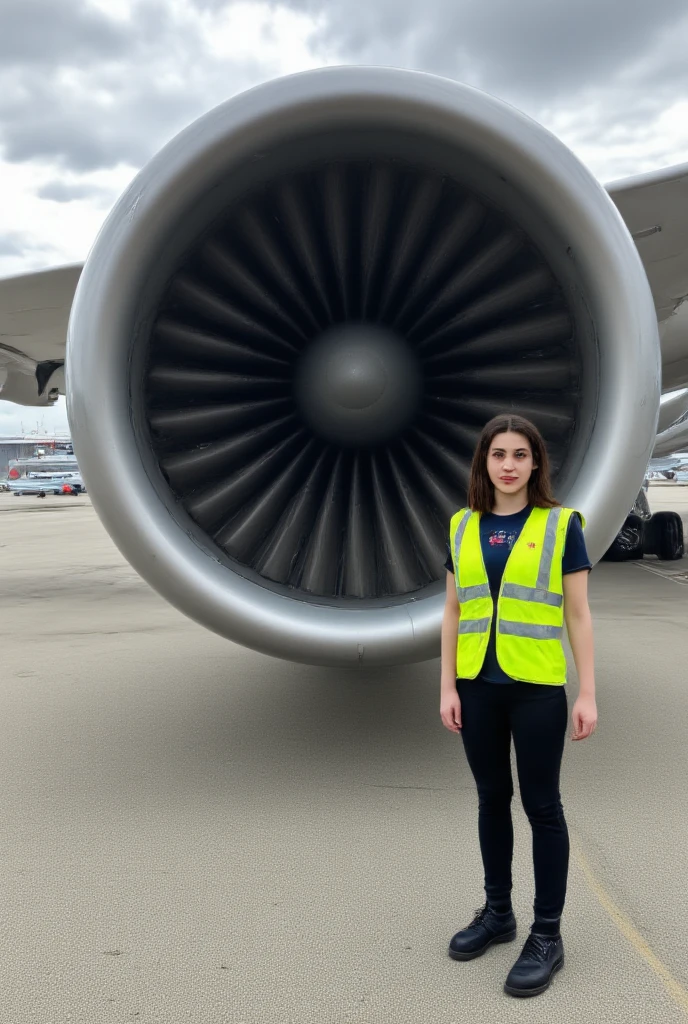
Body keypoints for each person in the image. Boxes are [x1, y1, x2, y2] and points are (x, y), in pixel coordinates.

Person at [439, 413, 597, 998]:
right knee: (489, 798)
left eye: (520, 455)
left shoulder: (561, 525)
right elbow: (454, 611)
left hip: (535, 687)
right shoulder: (461, 526)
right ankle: (498, 912)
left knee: (542, 805)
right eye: (498, 454)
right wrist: (447, 687)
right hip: (477, 682)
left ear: (536, 464)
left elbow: (577, 613)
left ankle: (548, 935)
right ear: (484, 462)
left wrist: (587, 691)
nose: (508, 465)